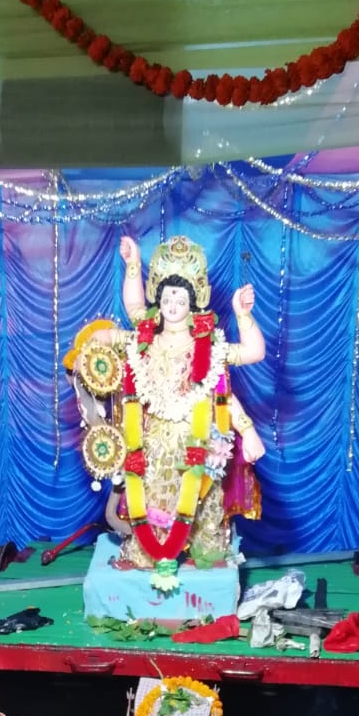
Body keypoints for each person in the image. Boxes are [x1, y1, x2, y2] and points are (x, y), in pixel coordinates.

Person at [74, 234, 267, 587]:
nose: (173, 304)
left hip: (198, 442)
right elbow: (132, 310)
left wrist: (243, 315)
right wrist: (133, 264)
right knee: (151, 500)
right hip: (152, 445)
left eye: (180, 298)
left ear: (193, 302)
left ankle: (201, 549)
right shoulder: (144, 339)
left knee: (202, 503)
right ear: (158, 301)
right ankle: (148, 551)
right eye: (166, 297)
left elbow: (250, 356)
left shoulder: (208, 346)